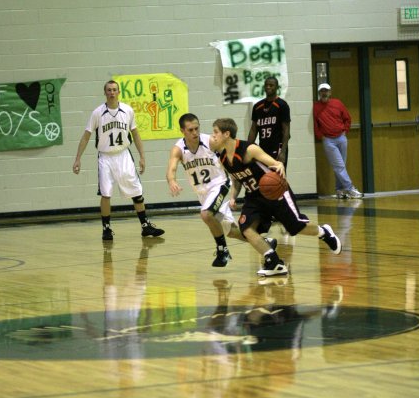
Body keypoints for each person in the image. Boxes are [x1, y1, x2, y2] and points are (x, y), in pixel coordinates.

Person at [211, 118, 342, 277]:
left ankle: (324, 232)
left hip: (275, 193)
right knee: (246, 229)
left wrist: (280, 170)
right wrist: (233, 197)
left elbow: (276, 164)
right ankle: (274, 262)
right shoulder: (223, 158)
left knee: (295, 227)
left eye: (216, 132)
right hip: (254, 197)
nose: (213, 136)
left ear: (226, 134)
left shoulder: (249, 149)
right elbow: (237, 178)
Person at [166, 113, 276, 267]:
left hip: (219, 185)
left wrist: (237, 182)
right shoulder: (178, 149)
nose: (195, 133)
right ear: (182, 131)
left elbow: (231, 155)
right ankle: (266, 243)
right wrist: (172, 181)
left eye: (197, 128)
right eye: (190, 130)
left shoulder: (210, 142)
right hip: (203, 193)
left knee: (206, 214)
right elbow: (171, 168)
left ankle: (222, 250)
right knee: (231, 232)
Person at [72, 80, 165, 241]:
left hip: (123, 155)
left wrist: (142, 156)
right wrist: (77, 159)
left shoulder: (128, 110)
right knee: (106, 193)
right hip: (105, 157)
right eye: (109, 90)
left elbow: (135, 134)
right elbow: (86, 136)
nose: (112, 92)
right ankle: (106, 229)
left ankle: (145, 226)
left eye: (114, 89)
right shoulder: (97, 113)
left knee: (136, 190)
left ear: (118, 92)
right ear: (105, 92)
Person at [313, 83, 363, 199]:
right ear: (319, 93)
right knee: (339, 166)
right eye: (322, 91)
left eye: (326, 91)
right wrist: (321, 136)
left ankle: (339, 190)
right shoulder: (315, 107)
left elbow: (347, 118)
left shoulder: (337, 103)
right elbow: (315, 125)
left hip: (341, 138)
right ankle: (350, 189)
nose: (324, 93)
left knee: (340, 166)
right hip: (329, 141)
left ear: (330, 92)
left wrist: (345, 130)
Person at [247, 76, 291, 167]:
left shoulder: (282, 105)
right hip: (263, 147)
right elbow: (253, 130)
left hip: (277, 147)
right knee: (264, 177)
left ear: (277, 87)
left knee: (278, 178)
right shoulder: (257, 106)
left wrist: (283, 152)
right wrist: (248, 148)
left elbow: (286, 130)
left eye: (271, 85)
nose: (268, 87)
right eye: (266, 85)